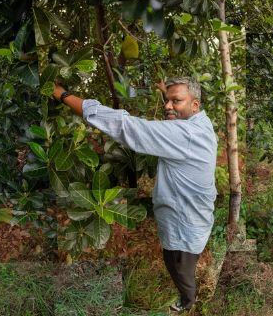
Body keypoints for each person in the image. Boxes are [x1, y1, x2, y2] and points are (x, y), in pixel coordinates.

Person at [52, 78, 216, 313]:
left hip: (185, 225)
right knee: (175, 258)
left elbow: (125, 126)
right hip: (194, 217)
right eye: (167, 100)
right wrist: (168, 95)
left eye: (176, 101)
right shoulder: (201, 122)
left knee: (178, 266)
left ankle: (188, 300)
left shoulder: (185, 134)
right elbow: (177, 109)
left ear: (195, 105)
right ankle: (187, 291)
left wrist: (63, 94)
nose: (168, 106)